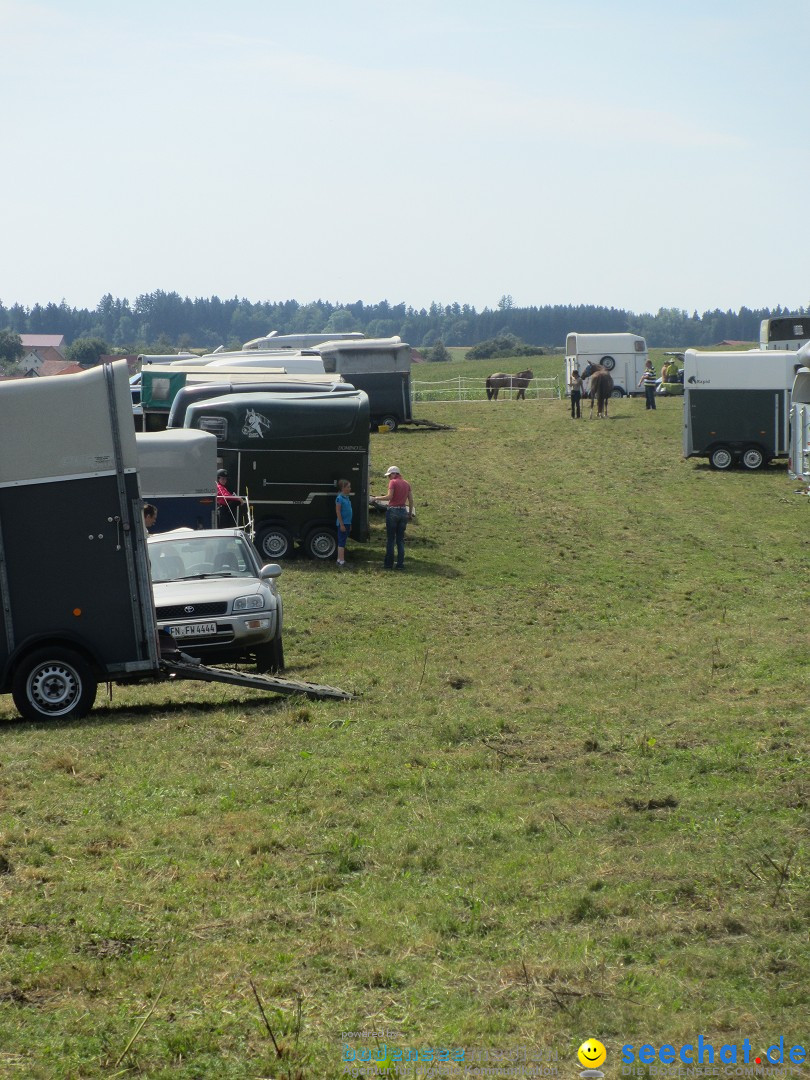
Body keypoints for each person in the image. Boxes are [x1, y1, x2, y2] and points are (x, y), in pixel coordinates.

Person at [378, 466, 414, 571]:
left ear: (394, 474)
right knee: (400, 540)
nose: (389, 477)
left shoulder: (393, 482)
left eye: (389, 475)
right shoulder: (407, 484)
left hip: (393, 511)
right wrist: (410, 513)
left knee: (390, 540)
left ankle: (388, 564)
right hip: (403, 511)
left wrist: (376, 498)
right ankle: (400, 564)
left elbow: (389, 497)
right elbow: (411, 500)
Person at [335, 478, 352, 569]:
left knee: (343, 541)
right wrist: (341, 524)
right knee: (341, 542)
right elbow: (338, 512)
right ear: (343, 488)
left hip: (347, 523)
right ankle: (341, 561)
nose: (350, 489)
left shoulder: (347, 498)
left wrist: (350, 523)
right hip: (343, 523)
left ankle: (339, 559)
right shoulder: (339, 498)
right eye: (348, 487)